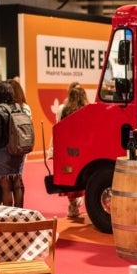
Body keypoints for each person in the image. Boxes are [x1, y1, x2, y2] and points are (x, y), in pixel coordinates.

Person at [0, 81, 26, 207]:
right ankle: (20, 213)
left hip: (3, 151)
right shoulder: (19, 107)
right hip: (18, 149)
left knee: (5, 186)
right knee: (17, 183)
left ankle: (8, 216)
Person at [59, 85, 88, 218]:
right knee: (83, 174)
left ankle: (72, 204)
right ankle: (78, 200)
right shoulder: (86, 110)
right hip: (83, 148)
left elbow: (61, 127)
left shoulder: (65, 110)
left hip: (69, 148)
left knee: (70, 176)